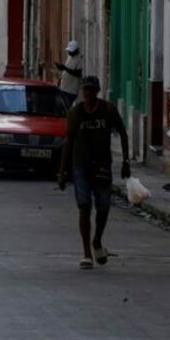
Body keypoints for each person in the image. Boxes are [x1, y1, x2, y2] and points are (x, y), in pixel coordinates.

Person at [57, 76, 131, 270]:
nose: (87, 93)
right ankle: (87, 253)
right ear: (81, 92)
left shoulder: (107, 110)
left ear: (97, 91)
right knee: (84, 206)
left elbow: (122, 132)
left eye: (91, 90)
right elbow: (68, 141)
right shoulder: (75, 113)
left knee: (104, 206)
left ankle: (97, 240)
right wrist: (62, 171)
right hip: (80, 165)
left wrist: (126, 161)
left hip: (103, 165)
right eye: (85, 90)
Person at [56, 40, 84, 106]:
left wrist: (65, 68)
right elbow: (67, 69)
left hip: (71, 90)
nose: (69, 52)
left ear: (76, 50)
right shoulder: (70, 56)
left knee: (65, 106)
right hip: (63, 88)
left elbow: (78, 73)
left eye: (71, 51)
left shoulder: (80, 58)